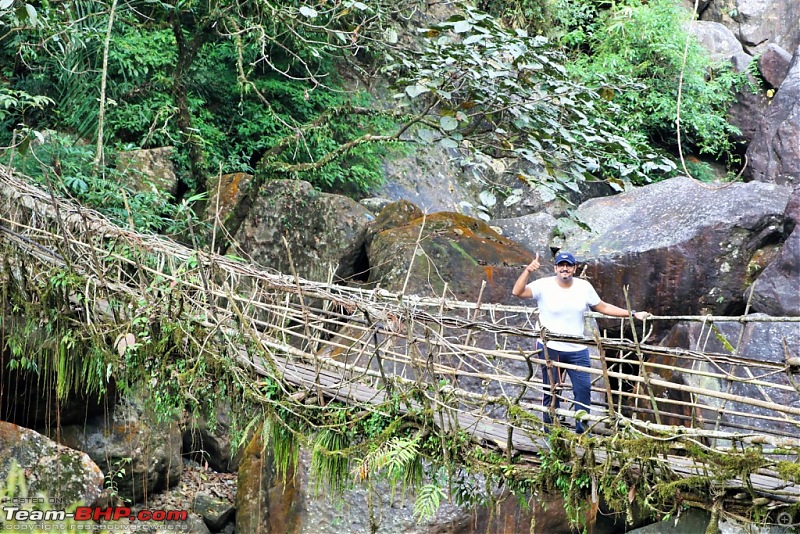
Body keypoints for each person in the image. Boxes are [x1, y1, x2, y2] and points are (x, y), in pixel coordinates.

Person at [512, 251, 649, 433]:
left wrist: (632, 314)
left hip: (577, 348)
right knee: (552, 391)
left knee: (583, 390)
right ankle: (551, 432)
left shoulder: (584, 287)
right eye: (561, 265)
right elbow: (517, 292)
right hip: (550, 348)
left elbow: (603, 307)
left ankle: (582, 430)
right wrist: (528, 270)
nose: (565, 268)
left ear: (574, 268)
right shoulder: (543, 285)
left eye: (568, 265)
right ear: (555, 268)